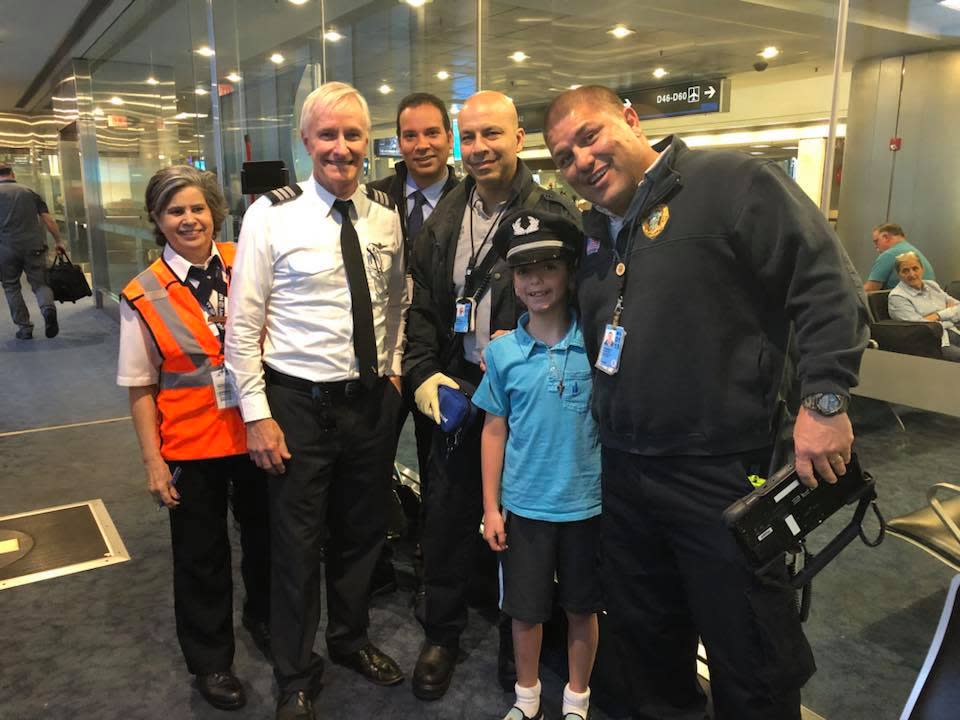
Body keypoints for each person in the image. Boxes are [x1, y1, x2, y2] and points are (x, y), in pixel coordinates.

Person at [544, 85, 869, 720]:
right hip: (627, 474)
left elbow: (827, 284)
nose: (579, 161)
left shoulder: (731, 183)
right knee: (648, 646)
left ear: (632, 121)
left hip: (719, 471)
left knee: (749, 647)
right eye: (562, 156)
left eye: (589, 137)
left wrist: (825, 401)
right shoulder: (595, 232)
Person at [224, 81, 408, 720]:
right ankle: (295, 674)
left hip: (369, 404)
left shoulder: (385, 214)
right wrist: (256, 414)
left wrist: (390, 370)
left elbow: (395, 299)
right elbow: (242, 328)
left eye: (352, 135)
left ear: (367, 141)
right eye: (327, 135)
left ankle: (351, 640)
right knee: (296, 546)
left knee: (361, 534)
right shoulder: (270, 214)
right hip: (297, 406)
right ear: (306, 142)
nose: (341, 147)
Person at [402, 89, 578, 701]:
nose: (478, 149)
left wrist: (533, 336)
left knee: (523, 522)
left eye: (492, 135)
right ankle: (442, 634)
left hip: (528, 395)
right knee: (448, 516)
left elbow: (579, 297)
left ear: (519, 138)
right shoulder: (446, 212)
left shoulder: (553, 212)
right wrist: (425, 372)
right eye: (469, 137)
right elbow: (423, 304)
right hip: (459, 390)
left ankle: (518, 645)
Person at [117, 165, 271, 711]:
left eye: (198, 208)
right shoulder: (143, 293)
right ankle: (210, 661)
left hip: (256, 432)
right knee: (201, 558)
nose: (189, 219)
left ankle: (265, 619)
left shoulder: (243, 259)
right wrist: (152, 462)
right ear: (158, 221)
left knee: (266, 540)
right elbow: (139, 386)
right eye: (175, 211)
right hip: (191, 445)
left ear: (215, 212)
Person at [475, 209, 600, 720]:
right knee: (524, 611)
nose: (536, 281)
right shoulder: (504, 354)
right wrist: (491, 507)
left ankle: (577, 700)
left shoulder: (596, 343)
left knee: (582, 608)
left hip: (588, 506)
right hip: (525, 507)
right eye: (525, 272)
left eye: (548, 267)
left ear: (569, 271)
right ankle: (527, 698)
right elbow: (494, 430)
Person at [367, 92, 460, 594]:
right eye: (410, 135)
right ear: (396, 142)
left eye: (431, 133)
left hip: (439, 360)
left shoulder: (471, 201)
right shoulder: (369, 199)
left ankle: (433, 562)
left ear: (449, 137)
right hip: (381, 358)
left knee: (439, 467)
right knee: (370, 460)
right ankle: (374, 556)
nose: (421, 145)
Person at [0, 164, 65, 340]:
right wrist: (59, 241)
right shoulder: (29, 192)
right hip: (33, 246)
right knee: (40, 283)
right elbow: (48, 219)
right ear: (13, 174)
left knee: (11, 286)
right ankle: (48, 309)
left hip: (5, 249)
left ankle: (24, 328)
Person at [888, 251, 960, 362]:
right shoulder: (897, 297)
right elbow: (921, 328)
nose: (912, 274)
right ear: (899, 274)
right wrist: (948, 314)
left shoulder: (932, 285)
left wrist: (936, 316)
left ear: (922, 269)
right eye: (905, 271)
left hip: (954, 332)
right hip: (935, 343)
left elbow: (958, 307)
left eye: (915, 268)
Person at [864, 222, 934, 291]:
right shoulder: (915, 252)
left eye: (876, 241)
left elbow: (870, 289)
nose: (876, 247)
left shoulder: (888, 255)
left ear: (886, 237)